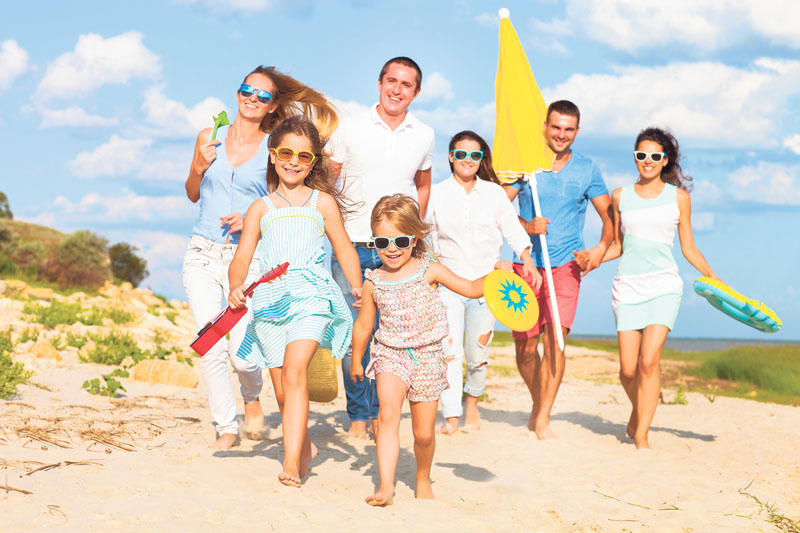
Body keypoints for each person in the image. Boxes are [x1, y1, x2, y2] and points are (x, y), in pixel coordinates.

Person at [183, 65, 338, 450]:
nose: (252, 99)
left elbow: (285, 195)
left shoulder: (276, 146)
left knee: (243, 355)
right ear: (237, 93)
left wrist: (251, 215)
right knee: (211, 344)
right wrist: (199, 166)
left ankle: (252, 398)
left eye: (263, 96)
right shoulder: (210, 137)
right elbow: (192, 193)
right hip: (202, 252)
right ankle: (226, 427)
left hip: (250, 258)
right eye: (247, 91)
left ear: (272, 106)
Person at [228, 116, 362, 487]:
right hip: (270, 303)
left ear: (314, 161)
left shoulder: (323, 203)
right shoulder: (260, 208)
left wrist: (356, 286)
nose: (293, 161)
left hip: (312, 295)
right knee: (284, 391)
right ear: (272, 156)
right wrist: (235, 285)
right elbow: (241, 258)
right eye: (286, 152)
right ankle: (303, 449)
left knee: (295, 371)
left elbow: (344, 249)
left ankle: (290, 464)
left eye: (304, 156)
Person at [350, 194, 489, 506]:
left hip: (427, 357)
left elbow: (470, 287)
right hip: (390, 354)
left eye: (400, 240)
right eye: (382, 242)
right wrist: (357, 359)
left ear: (414, 238)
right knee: (387, 415)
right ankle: (386, 486)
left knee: (423, 434)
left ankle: (423, 477)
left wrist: (498, 275)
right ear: (373, 241)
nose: (392, 249)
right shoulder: (374, 280)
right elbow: (363, 325)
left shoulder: (430, 270)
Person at [329, 56, 435, 438]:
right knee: (354, 333)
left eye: (406, 85)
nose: (397, 89)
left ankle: (381, 414)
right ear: (379, 83)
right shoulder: (351, 126)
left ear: (416, 92)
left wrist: (416, 237)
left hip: (399, 248)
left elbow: (422, 185)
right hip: (352, 246)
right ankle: (359, 413)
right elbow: (330, 178)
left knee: (390, 335)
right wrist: (333, 231)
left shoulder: (424, 134)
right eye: (391, 81)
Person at [602, 127, 719, 449]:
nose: (648, 161)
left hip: (664, 286)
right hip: (627, 287)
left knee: (648, 362)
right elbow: (618, 245)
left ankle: (641, 436)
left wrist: (713, 277)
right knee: (627, 371)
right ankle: (641, 407)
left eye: (655, 156)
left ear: (665, 160)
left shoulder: (679, 198)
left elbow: (689, 249)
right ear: (635, 158)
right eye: (642, 155)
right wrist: (592, 259)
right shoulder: (620, 196)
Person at [504, 100, 613, 439]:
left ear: (577, 132)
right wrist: (526, 225)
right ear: (545, 128)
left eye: (568, 129)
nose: (561, 135)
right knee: (524, 348)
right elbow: (495, 210)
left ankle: (543, 419)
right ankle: (540, 404)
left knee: (556, 342)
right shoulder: (525, 167)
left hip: (566, 266)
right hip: (526, 264)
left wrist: (596, 251)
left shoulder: (587, 169)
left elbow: (610, 219)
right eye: (556, 127)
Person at [427, 131, 541, 435]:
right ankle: (451, 416)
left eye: (474, 155)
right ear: (451, 156)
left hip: (488, 286)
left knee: (478, 354)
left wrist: (526, 259)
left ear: (481, 159)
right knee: (448, 352)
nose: (467, 160)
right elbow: (424, 236)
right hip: (448, 284)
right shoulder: (436, 193)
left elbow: (513, 230)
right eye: (461, 154)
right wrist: (430, 271)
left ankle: (472, 405)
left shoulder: (494, 193)